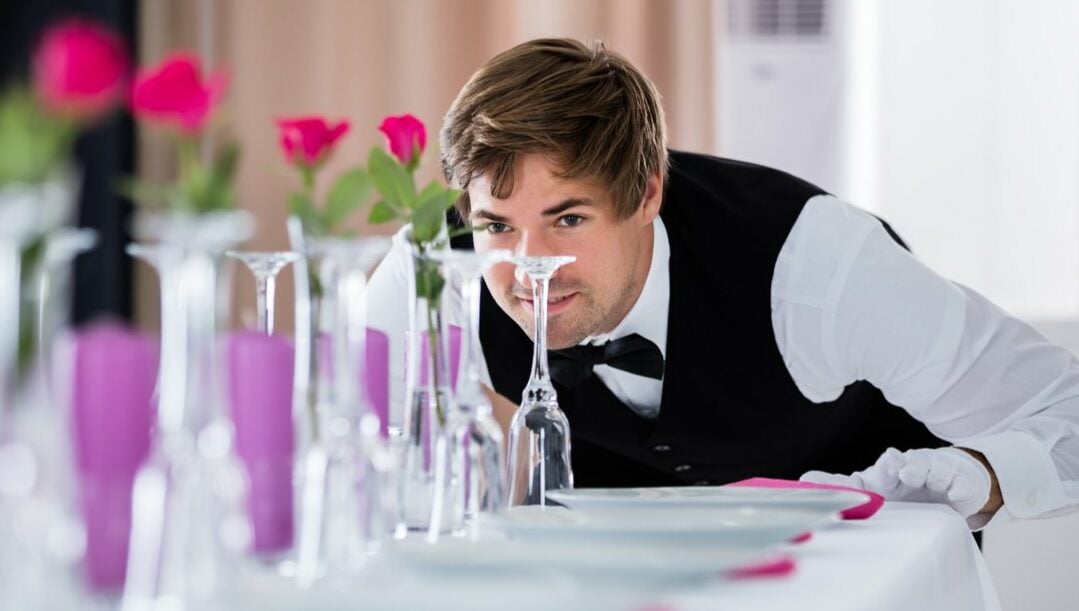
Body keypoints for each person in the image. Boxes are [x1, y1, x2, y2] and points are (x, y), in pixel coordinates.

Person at [366, 37, 1079, 527]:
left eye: (569, 218)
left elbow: (1067, 413)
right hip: (619, 569)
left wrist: (982, 471)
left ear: (646, 194)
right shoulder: (432, 272)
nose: (529, 264)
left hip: (858, 558)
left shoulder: (816, 264)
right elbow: (350, 453)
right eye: (496, 225)